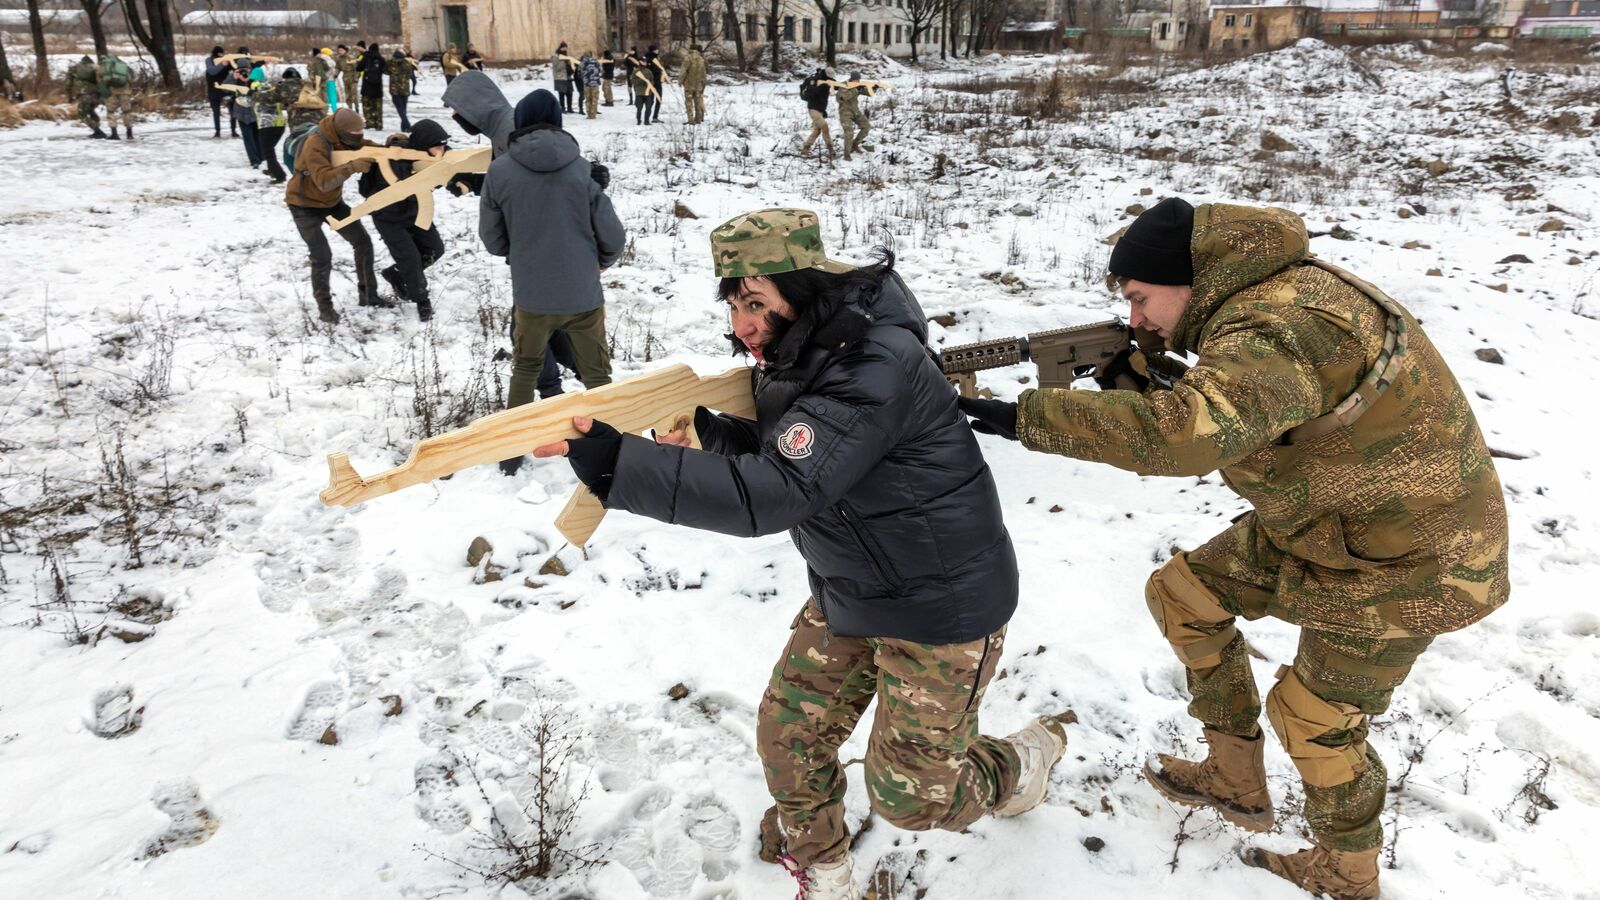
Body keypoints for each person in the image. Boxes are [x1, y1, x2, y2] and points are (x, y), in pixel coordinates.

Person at [959, 198, 1511, 900]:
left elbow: (1191, 435)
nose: (1135, 319)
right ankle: (1234, 778)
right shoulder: (1270, 295)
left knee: (1314, 721)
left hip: (1418, 560)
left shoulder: (1277, 319)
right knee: (1184, 596)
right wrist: (1132, 383)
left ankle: (1348, 875)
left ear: (1184, 278)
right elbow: (1253, 411)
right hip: (1333, 522)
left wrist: (1026, 417)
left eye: (1138, 298)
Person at [532, 209, 1071, 899]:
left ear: (807, 288)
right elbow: (801, 452)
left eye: (755, 302)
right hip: (852, 586)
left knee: (912, 800)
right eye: (732, 302)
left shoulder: (877, 362)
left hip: (942, 607)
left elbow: (782, 490)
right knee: (788, 737)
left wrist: (619, 466)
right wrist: (710, 433)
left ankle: (1022, 763)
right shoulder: (804, 352)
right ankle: (825, 872)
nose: (740, 324)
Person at [478, 90, 624, 474]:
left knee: (525, 370)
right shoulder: (582, 170)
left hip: (532, 297)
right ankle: (611, 448)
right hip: (583, 295)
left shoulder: (499, 170)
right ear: (559, 122)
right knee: (597, 374)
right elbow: (613, 236)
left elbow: (492, 241)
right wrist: (600, 263)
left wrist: (523, 253)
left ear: (520, 123)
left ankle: (511, 456)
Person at [284, 108, 387, 324]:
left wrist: (393, 147)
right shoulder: (316, 143)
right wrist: (352, 167)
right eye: (354, 133)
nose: (358, 137)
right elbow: (323, 181)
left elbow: (366, 146)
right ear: (342, 132)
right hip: (303, 205)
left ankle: (369, 295)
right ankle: (325, 308)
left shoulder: (345, 137)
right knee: (322, 256)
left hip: (331, 203)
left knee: (363, 243)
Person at [357, 119, 457, 323]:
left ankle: (396, 274)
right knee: (410, 259)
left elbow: (447, 163)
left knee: (435, 250)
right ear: (422, 146)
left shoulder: (430, 154)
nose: (442, 150)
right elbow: (405, 182)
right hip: (388, 217)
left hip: (415, 212)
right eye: (437, 146)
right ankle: (422, 301)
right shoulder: (396, 159)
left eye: (443, 145)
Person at [249, 64, 292, 182]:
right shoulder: (270, 87)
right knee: (269, 149)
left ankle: (280, 175)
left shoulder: (254, 86)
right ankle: (272, 168)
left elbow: (250, 101)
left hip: (266, 124)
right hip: (279, 123)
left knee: (267, 151)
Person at [229, 63, 263, 169]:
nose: (244, 73)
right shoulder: (234, 79)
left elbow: (260, 91)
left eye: (247, 70)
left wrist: (249, 81)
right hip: (241, 113)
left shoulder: (255, 80)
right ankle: (254, 160)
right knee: (248, 137)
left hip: (254, 112)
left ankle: (260, 157)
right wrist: (233, 78)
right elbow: (224, 89)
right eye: (242, 70)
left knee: (257, 136)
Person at [66, 55, 106, 139]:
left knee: (82, 114)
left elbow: (68, 85)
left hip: (84, 94)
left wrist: (69, 95)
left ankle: (98, 131)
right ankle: (97, 129)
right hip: (97, 94)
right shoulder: (96, 68)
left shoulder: (75, 68)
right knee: (90, 110)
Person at [98, 53, 135, 140]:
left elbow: (101, 80)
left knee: (111, 112)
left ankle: (114, 134)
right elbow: (130, 79)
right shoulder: (124, 66)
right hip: (125, 92)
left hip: (112, 92)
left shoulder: (104, 68)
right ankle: (129, 133)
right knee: (127, 112)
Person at [835, 71, 871, 161]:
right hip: (845, 113)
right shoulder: (844, 85)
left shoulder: (857, 85)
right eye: (856, 79)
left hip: (856, 112)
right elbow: (843, 97)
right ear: (852, 79)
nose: (857, 81)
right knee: (849, 133)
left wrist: (873, 88)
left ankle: (855, 145)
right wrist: (855, 89)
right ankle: (847, 154)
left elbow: (869, 93)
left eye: (858, 80)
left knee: (866, 127)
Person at [800, 68, 833, 160]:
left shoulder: (828, 80)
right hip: (813, 108)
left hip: (820, 109)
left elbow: (837, 85)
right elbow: (811, 91)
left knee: (817, 130)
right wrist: (822, 86)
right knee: (825, 127)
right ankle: (830, 148)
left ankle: (806, 148)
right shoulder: (815, 81)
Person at [205, 47, 236, 138]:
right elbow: (212, 71)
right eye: (220, 54)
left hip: (226, 90)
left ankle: (233, 131)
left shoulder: (226, 60)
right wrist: (222, 64)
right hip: (213, 90)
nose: (222, 55)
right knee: (216, 112)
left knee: (232, 110)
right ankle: (217, 131)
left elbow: (236, 68)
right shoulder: (209, 60)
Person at [387, 49, 417, 131]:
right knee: (403, 109)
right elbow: (410, 74)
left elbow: (386, 71)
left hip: (395, 89)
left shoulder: (390, 63)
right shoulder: (407, 63)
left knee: (400, 109)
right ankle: (404, 127)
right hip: (405, 89)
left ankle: (407, 125)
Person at [358, 43, 385, 129]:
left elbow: (358, 68)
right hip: (377, 87)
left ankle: (370, 123)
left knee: (367, 106)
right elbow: (385, 69)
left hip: (366, 86)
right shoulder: (381, 59)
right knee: (378, 107)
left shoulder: (365, 57)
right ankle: (379, 124)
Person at [632, 47, 661, 126]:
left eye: (645, 62)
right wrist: (642, 80)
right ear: (640, 62)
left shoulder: (648, 71)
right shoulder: (636, 71)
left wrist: (649, 84)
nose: (644, 63)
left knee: (648, 107)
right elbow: (633, 81)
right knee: (639, 108)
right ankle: (638, 120)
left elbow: (652, 80)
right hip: (639, 92)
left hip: (648, 92)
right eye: (642, 61)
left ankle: (646, 121)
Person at [679, 43, 706, 125]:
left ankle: (691, 119)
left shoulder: (688, 58)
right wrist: (703, 84)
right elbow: (704, 73)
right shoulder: (701, 59)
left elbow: (683, 70)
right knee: (698, 101)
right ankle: (698, 119)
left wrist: (680, 80)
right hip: (698, 85)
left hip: (689, 84)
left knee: (689, 102)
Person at [550, 42, 575, 114]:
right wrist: (564, 62)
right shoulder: (556, 57)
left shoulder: (567, 56)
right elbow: (556, 68)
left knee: (570, 93)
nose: (565, 49)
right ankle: (562, 108)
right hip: (560, 78)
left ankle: (570, 108)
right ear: (560, 48)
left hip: (568, 78)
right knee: (562, 94)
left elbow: (570, 65)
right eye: (563, 48)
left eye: (566, 48)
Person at [578, 51, 602, 120]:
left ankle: (588, 114)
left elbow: (579, 73)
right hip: (595, 83)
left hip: (587, 84)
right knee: (594, 99)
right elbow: (600, 70)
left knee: (587, 99)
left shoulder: (582, 63)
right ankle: (593, 114)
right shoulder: (596, 62)